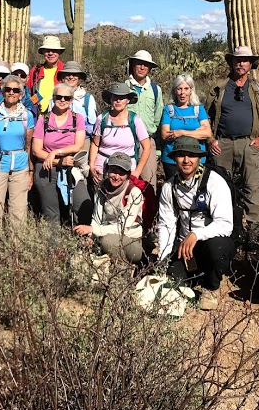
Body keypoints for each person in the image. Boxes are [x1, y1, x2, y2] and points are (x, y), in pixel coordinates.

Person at [155, 136, 235, 311]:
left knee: (218, 247)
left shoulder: (215, 182)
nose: (186, 160)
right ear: (174, 158)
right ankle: (194, 277)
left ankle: (211, 288)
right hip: (185, 250)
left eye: (191, 155)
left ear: (199, 158)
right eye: (181, 155)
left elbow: (225, 225)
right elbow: (166, 224)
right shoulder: (169, 188)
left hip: (209, 244)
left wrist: (196, 234)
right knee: (172, 285)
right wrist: (162, 258)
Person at [206, 46, 259, 224]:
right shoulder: (219, 88)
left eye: (245, 60)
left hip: (249, 143)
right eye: (237, 60)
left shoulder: (258, 88)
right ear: (232, 62)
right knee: (220, 186)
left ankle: (254, 227)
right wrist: (210, 139)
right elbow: (205, 117)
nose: (241, 63)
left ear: (251, 63)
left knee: (252, 186)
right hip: (223, 144)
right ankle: (224, 224)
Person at [31, 82, 89, 225]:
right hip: (47, 167)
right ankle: (54, 246)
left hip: (71, 166)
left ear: (71, 100)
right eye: (59, 97)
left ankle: (83, 242)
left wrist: (56, 152)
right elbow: (36, 150)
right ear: (53, 98)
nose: (62, 100)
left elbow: (78, 145)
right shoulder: (43, 119)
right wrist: (58, 161)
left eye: (67, 98)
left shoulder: (78, 118)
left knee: (83, 205)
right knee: (51, 212)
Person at [0, 74, 35, 227]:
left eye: (15, 90)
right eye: (8, 89)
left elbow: (29, 146)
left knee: (18, 212)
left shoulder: (27, 116)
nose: (11, 92)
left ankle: (16, 248)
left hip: (20, 167)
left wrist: (30, 173)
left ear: (21, 94)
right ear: (3, 92)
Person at [74, 152, 145, 263]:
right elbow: (97, 217)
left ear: (128, 175)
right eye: (113, 171)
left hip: (131, 240)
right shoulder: (101, 187)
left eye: (121, 173)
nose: (116, 177)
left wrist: (94, 230)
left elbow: (123, 227)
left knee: (107, 241)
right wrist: (91, 236)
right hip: (105, 232)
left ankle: (122, 271)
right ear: (107, 170)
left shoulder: (134, 193)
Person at [89, 82, 152, 186]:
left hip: (126, 172)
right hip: (102, 170)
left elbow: (147, 147)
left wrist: (137, 172)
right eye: (115, 97)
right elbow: (95, 144)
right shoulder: (102, 118)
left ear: (128, 100)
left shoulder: (135, 120)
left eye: (122, 97)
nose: (118, 100)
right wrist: (91, 165)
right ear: (111, 99)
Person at [160, 74, 212, 182]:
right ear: (175, 91)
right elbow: (165, 134)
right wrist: (196, 133)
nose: (182, 93)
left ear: (191, 90)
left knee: (196, 189)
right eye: (179, 89)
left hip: (197, 159)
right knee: (174, 190)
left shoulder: (198, 109)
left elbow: (207, 133)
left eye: (186, 89)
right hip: (172, 160)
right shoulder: (169, 110)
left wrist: (181, 132)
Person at [125, 50, 164, 189]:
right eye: (139, 64)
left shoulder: (155, 89)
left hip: (148, 142)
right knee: (125, 182)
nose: (142, 68)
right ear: (133, 65)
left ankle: (148, 211)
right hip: (126, 141)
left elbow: (158, 117)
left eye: (145, 65)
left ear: (150, 69)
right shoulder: (124, 87)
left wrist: (157, 147)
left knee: (148, 184)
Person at [56, 61, 96, 151]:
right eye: (68, 74)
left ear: (80, 78)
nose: (71, 77)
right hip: (59, 140)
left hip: (82, 140)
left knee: (81, 164)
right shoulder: (55, 96)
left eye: (74, 75)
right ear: (63, 77)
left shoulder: (87, 98)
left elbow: (92, 124)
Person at [27, 35, 66, 114]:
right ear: (43, 52)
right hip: (37, 117)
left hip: (59, 117)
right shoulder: (35, 71)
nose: (50, 53)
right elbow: (28, 92)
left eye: (54, 50)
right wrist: (33, 104)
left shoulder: (65, 71)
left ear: (59, 52)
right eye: (47, 50)